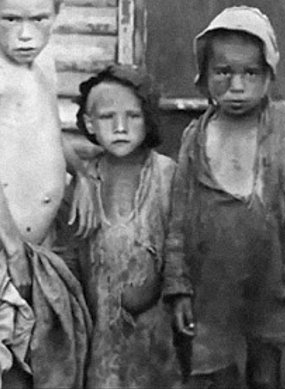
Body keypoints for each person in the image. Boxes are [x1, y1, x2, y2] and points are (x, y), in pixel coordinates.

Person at [168, 6, 285, 389]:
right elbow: (177, 219)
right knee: (214, 371)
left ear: (269, 74)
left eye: (251, 73)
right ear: (204, 75)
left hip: (269, 274)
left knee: (265, 372)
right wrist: (178, 287)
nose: (237, 86)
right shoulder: (194, 137)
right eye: (223, 72)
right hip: (210, 279)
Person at [0, 0, 94, 386]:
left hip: (42, 243)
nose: (25, 35)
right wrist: (13, 248)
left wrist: (82, 175)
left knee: (38, 345)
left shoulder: (44, 66)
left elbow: (50, 133)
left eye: (39, 19)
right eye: (10, 19)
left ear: (56, 15)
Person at [68, 64, 193, 388]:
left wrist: (176, 291)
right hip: (100, 322)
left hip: (157, 324)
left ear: (148, 119)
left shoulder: (166, 174)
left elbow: (180, 240)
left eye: (133, 116)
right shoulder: (85, 183)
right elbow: (69, 250)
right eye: (107, 117)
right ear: (89, 123)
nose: (120, 127)